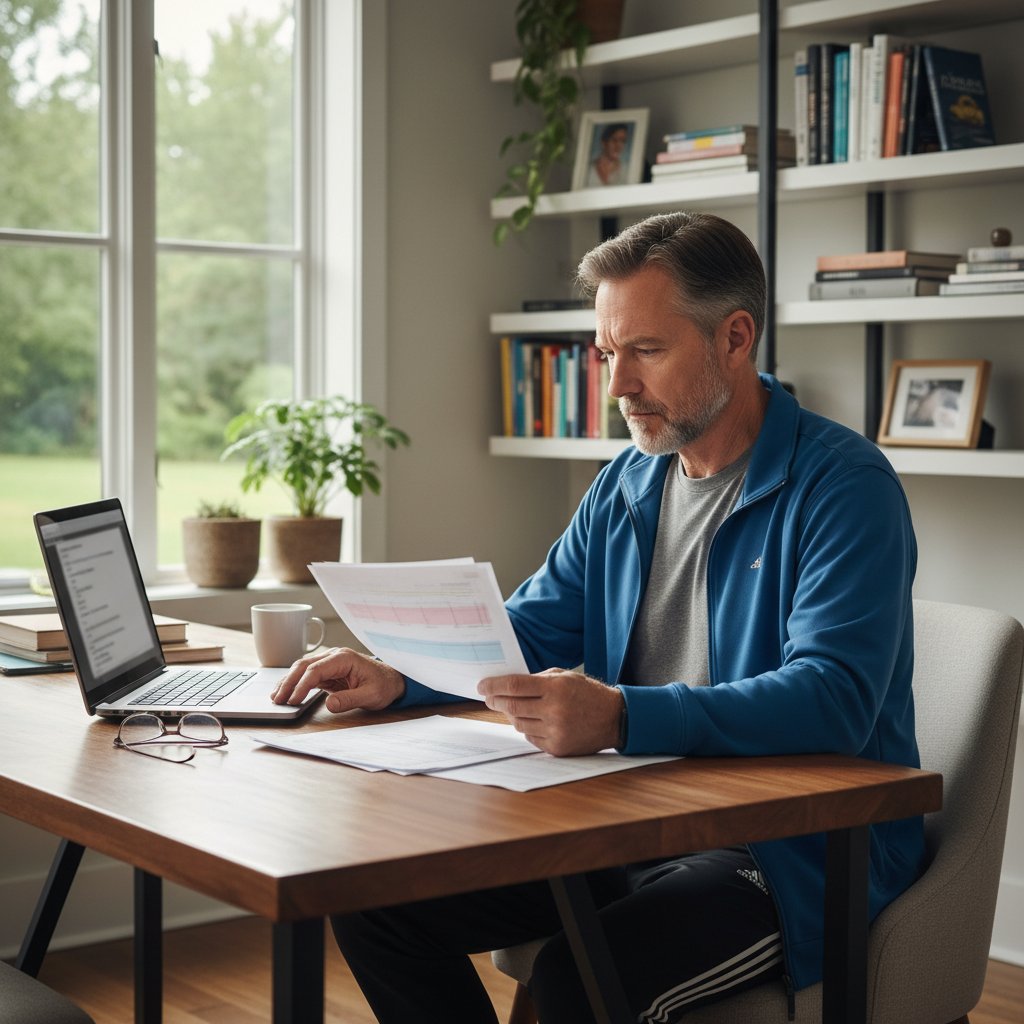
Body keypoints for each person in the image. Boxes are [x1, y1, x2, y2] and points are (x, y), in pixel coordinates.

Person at [271, 211, 924, 1024]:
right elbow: (526, 634)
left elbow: (834, 698)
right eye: (609, 354)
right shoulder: (628, 484)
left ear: (735, 337)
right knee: (379, 907)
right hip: (631, 827)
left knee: (577, 985)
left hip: (789, 855)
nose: (616, 387)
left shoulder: (843, 486)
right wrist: (398, 676)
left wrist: (620, 715)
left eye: (645, 351)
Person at [585, 122, 630, 186]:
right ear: (604, 142)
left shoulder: (626, 171)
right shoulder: (588, 169)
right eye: (614, 140)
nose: (619, 146)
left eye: (623, 141)